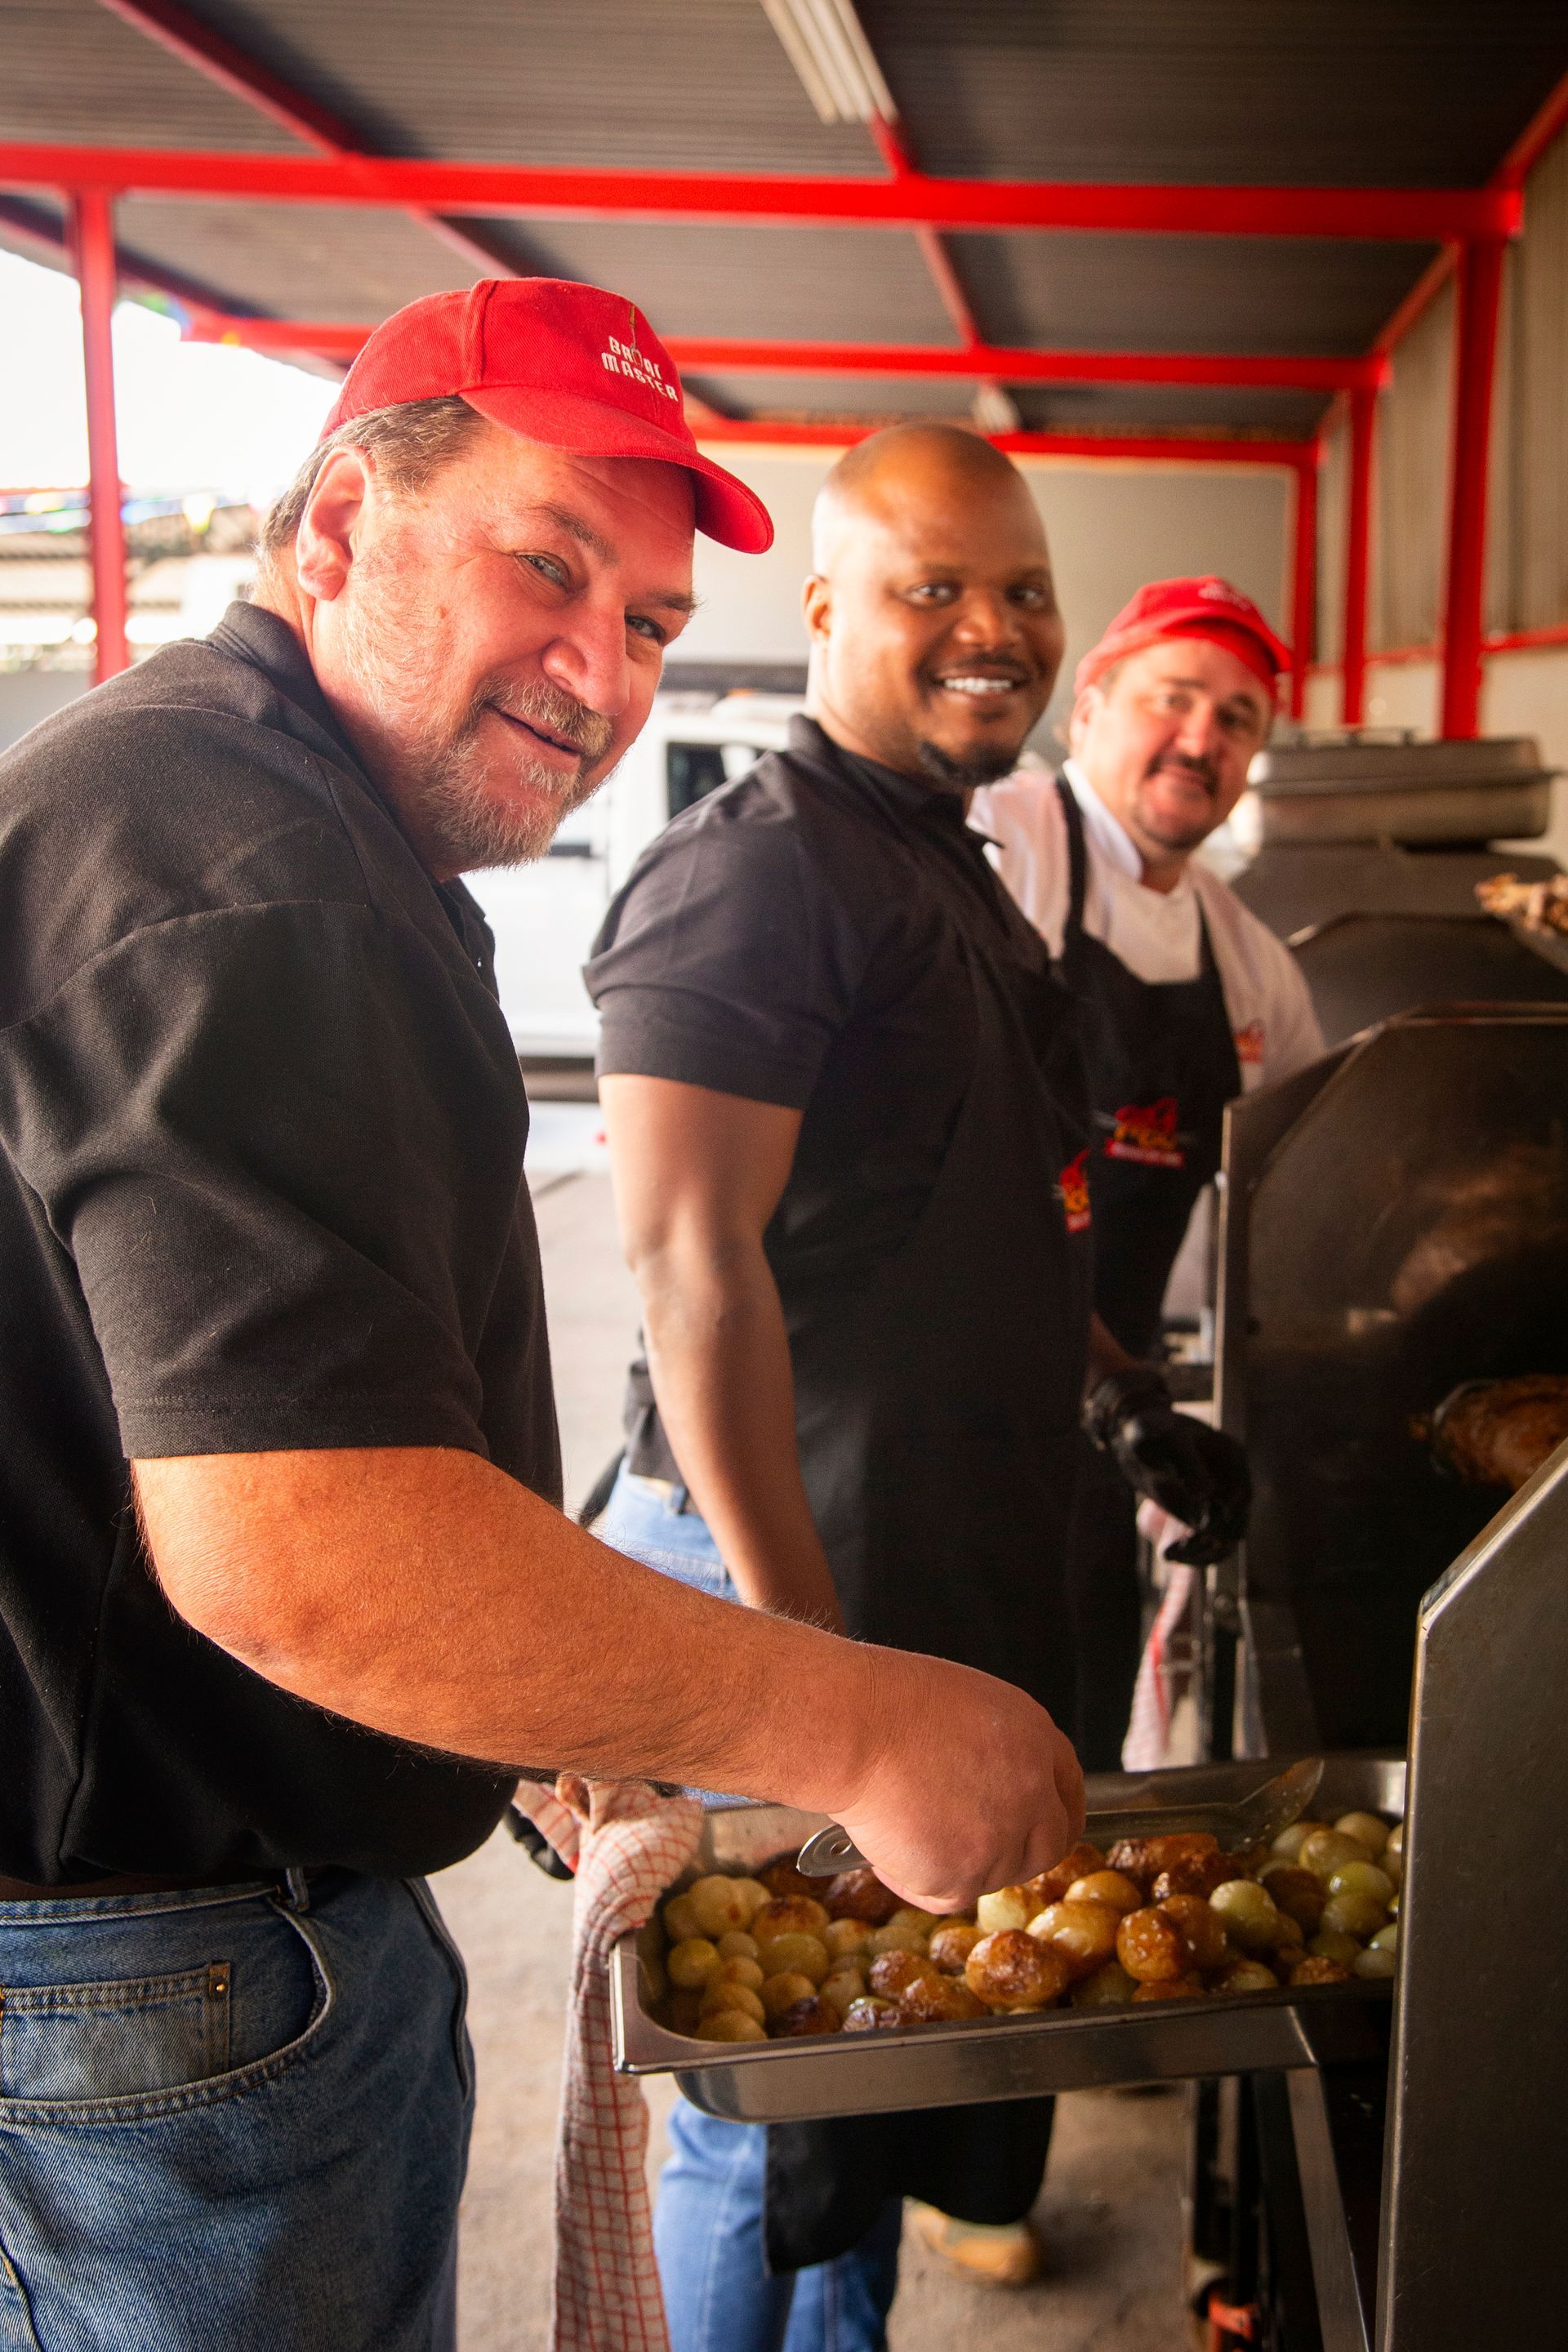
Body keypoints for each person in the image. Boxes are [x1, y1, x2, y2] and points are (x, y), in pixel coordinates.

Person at [0, 287, 1087, 2352]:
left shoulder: (288, 830)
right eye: (548, 567)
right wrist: (849, 1718)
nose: (600, 671)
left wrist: (525, 1711)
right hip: (153, 1991)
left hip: (189, 1949)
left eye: (654, 620)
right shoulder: (241, 867)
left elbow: (238, 1423)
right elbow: (298, 1542)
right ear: (338, 533)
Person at [584, 426, 1251, 2347]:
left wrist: (1120, 1398)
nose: (992, 630)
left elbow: (1006, 1213)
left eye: (1022, 591)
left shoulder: (935, 864)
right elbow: (691, 1274)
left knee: (871, 2061)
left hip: (922, 1544)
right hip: (782, 1558)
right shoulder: (757, 877)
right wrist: (806, 1664)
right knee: (765, 2089)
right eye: (931, 589)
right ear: (821, 612)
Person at [973, 578, 1325, 1770]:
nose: (1203, 738)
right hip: (940, 1398)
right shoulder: (993, 846)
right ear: (1091, 707)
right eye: (1174, 699)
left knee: (1069, 1740)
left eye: (1237, 719)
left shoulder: (1251, 961)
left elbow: (1307, 1193)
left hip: (1103, 1417)